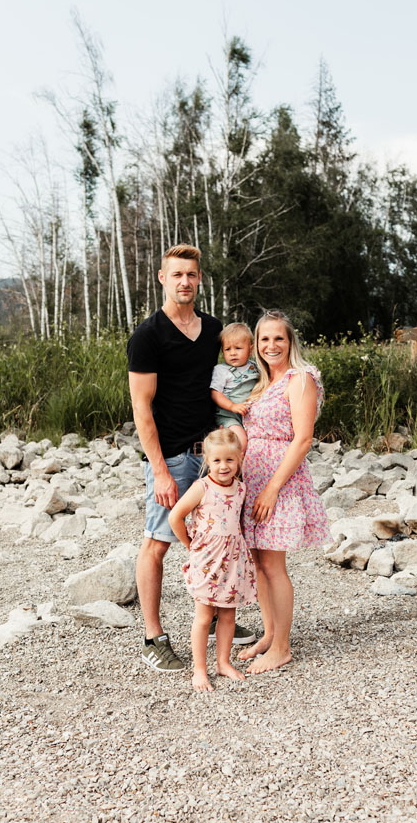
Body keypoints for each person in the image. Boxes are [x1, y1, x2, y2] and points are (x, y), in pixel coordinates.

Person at [127, 243, 254, 673]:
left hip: (213, 457)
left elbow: (229, 376)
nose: (185, 281)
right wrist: (160, 470)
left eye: (191, 274)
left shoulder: (212, 329)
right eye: (177, 274)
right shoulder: (148, 336)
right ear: (163, 278)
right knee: (157, 542)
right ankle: (153, 638)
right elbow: (141, 408)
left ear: (199, 279)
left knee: (218, 536)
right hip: (173, 458)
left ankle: (216, 615)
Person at [238, 309, 330, 674]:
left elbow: (303, 439)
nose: (271, 345)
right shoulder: (260, 382)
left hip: (279, 481)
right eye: (264, 339)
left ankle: (282, 647)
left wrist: (272, 489)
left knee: (274, 566)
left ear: (290, 341)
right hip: (252, 481)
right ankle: (270, 634)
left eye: (279, 338)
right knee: (258, 563)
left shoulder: (300, 378)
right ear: (256, 344)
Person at [168, 429, 257, 691]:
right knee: (204, 616)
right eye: (217, 460)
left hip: (232, 561)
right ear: (207, 460)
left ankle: (223, 662)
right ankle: (199, 669)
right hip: (207, 560)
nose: (223, 466)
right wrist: (190, 544)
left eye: (229, 460)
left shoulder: (241, 488)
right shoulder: (202, 487)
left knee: (228, 615)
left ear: (239, 459)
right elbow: (175, 516)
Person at [210, 322, 259, 453]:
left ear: (250, 350)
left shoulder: (254, 367)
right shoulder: (221, 370)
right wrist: (232, 406)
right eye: (228, 349)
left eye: (238, 348)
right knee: (241, 442)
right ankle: (236, 464)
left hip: (248, 414)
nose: (232, 353)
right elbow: (215, 393)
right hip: (229, 415)